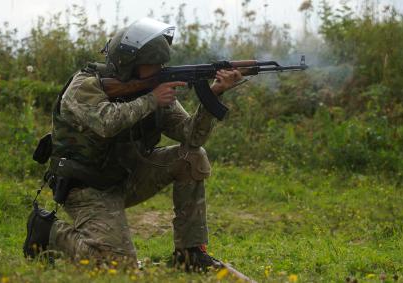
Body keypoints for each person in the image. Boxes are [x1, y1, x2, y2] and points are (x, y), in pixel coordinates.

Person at [23, 18, 242, 271]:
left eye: (162, 64)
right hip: (86, 187)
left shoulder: (154, 89)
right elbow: (107, 123)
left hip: (126, 177)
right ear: (129, 66)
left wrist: (214, 94)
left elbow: (191, 136)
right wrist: (151, 100)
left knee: (192, 157)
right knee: (118, 266)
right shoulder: (84, 87)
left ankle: (190, 254)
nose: (160, 70)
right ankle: (49, 232)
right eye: (152, 66)